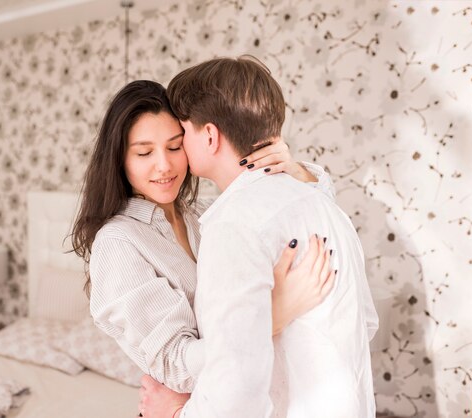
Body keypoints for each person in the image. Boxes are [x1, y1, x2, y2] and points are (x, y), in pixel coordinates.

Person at [139, 56, 378, 418]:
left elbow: (235, 385)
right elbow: (366, 324)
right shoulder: (324, 206)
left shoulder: (235, 223)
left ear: (209, 136)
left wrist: (174, 415)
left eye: (181, 134)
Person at [71, 79, 336, 400]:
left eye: (174, 146)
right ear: (119, 159)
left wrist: (293, 171)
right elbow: (177, 366)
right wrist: (273, 315)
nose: (164, 165)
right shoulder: (119, 242)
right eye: (144, 152)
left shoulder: (204, 213)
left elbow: (311, 217)